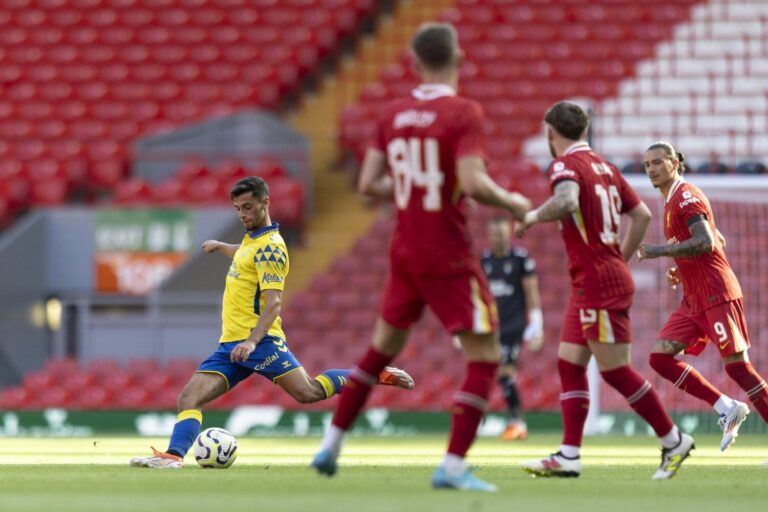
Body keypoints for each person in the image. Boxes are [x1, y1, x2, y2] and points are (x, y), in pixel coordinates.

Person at [310, 22, 531, 492]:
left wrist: (414, 189)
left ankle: (331, 443)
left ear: (413, 64)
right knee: (487, 356)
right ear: (458, 60)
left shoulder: (394, 114)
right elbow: (472, 183)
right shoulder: (463, 112)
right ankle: (452, 465)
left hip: (405, 250)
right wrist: (512, 202)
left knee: (378, 351)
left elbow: (369, 183)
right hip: (447, 253)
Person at [129, 176, 414, 469]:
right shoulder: (253, 242)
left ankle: (376, 375)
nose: (242, 214)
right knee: (189, 398)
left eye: (248, 207)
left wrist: (252, 340)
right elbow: (243, 254)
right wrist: (219, 246)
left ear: (266, 203)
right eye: (238, 208)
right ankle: (174, 456)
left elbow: (274, 303)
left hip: (260, 343)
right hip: (231, 346)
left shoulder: (272, 249)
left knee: (309, 392)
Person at [515, 102, 694, 480]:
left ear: (551, 132)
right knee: (569, 363)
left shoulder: (564, 165)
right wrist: (619, 258)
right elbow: (641, 215)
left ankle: (673, 438)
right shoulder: (606, 167)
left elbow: (565, 201)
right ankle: (568, 455)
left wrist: (531, 216)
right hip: (593, 280)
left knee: (614, 371)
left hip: (598, 283)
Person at [638, 141, 768, 450]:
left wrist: (659, 251)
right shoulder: (671, 200)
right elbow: (718, 237)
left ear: (675, 163)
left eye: (658, 162)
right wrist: (681, 269)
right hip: (694, 298)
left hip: (716, 293)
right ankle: (727, 408)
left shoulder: (685, 196)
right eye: (647, 165)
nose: (652, 169)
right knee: (660, 357)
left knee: (738, 367)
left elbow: (707, 242)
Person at [482, 217, 543, 440]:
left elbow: (531, 292)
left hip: (512, 327)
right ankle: (494, 420)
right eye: (495, 234)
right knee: (489, 374)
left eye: (502, 234)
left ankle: (516, 423)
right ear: (489, 236)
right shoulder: (484, 261)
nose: (498, 238)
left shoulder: (520, 260)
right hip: (489, 329)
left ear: (508, 235)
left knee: (505, 373)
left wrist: (537, 323)